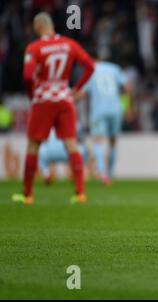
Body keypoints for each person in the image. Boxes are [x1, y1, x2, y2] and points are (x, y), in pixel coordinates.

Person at [12, 12, 94, 204]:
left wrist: (32, 94)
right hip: (65, 98)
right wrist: (76, 89)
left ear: (38, 26)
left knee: (33, 145)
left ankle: (27, 195)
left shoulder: (34, 47)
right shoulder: (69, 44)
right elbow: (90, 66)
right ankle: (80, 193)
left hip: (43, 99)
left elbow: (26, 76)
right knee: (71, 144)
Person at [74, 53, 132, 184]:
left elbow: (81, 94)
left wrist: (69, 101)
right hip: (116, 109)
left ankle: (102, 172)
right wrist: (128, 107)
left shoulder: (90, 71)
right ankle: (110, 173)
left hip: (99, 110)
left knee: (97, 141)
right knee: (113, 141)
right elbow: (127, 87)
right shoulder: (114, 68)